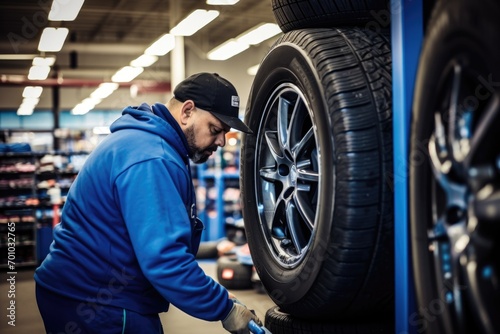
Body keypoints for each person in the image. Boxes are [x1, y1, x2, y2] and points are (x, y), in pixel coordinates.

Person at [34, 72, 262, 333]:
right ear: (187, 111)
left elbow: (150, 240)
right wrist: (225, 308)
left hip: (84, 292)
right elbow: (165, 260)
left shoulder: (148, 143)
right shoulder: (153, 158)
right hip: (97, 303)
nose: (221, 141)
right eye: (215, 129)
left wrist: (210, 251)